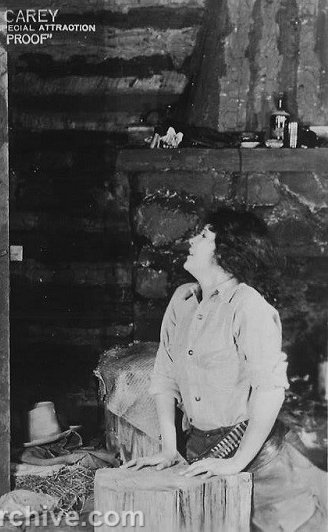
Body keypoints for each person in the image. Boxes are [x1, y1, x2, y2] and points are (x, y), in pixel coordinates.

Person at [123, 207, 326, 531]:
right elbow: (164, 375)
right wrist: (169, 449)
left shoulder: (248, 306)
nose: (192, 239)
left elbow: (270, 389)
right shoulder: (182, 300)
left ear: (229, 250)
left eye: (204, 235)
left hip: (262, 464)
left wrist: (237, 462)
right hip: (201, 451)